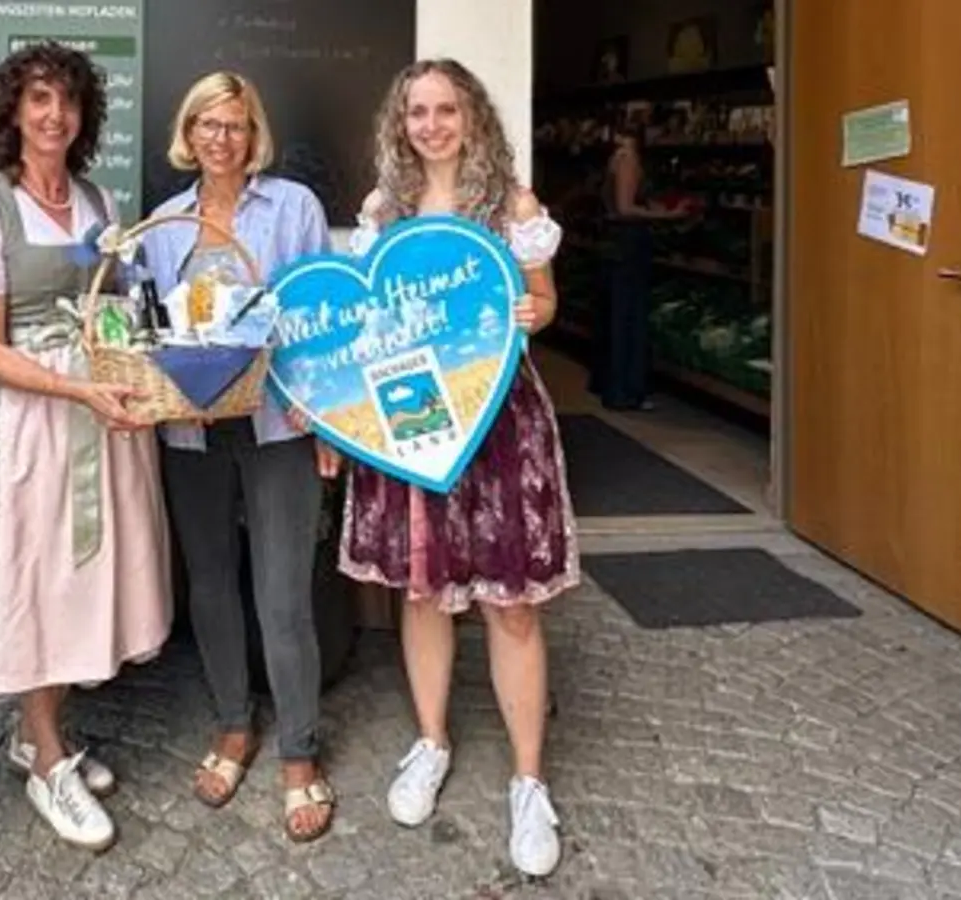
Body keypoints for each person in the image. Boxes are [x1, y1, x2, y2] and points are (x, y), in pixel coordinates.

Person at [334, 59, 581, 878]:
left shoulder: (512, 205)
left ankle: (528, 781)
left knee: (510, 604)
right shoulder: (384, 210)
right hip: (412, 422)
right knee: (424, 589)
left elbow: (542, 303)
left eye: (446, 109)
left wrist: (528, 310)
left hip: (498, 415)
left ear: (471, 116)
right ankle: (432, 741)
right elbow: (364, 323)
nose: (432, 124)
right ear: (400, 123)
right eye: (417, 112)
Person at [0, 41, 171, 851]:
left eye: (68, 102)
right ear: (13, 111)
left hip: (98, 410)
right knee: (38, 578)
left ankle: (39, 735)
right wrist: (76, 387)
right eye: (39, 99)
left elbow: (113, 309)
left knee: (80, 576)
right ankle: (46, 758)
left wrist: (131, 371)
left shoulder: (95, 200)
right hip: (30, 423)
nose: (54, 115)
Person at [141, 72, 336, 843]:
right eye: (207, 125)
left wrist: (326, 427)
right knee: (213, 584)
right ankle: (232, 726)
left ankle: (300, 753)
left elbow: (323, 320)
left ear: (255, 134)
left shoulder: (295, 208)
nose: (222, 139)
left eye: (236, 125)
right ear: (187, 135)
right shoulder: (159, 225)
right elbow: (148, 325)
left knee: (284, 595)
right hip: (190, 430)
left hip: (280, 424)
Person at [589, 123, 686, 410]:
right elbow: (625, 207)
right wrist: (667, 214)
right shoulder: (629, 160)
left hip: (612, 243)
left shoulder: (614, 159)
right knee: (628, 317)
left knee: (613, 315)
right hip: (628, 243)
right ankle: (625, 391)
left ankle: (608, 382)